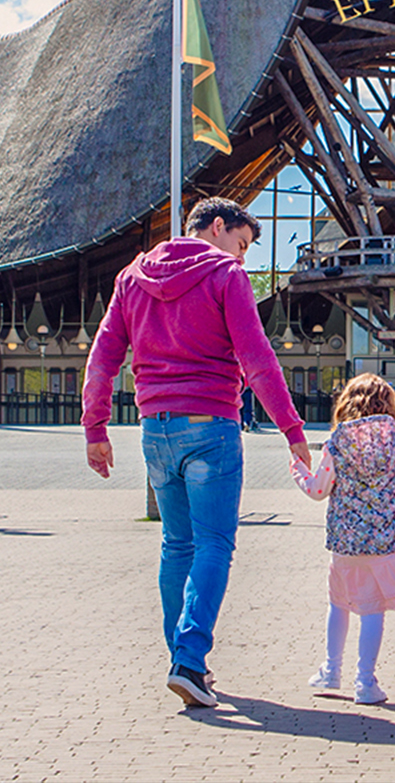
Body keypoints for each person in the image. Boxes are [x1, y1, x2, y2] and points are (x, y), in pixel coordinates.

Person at [81, 197, 310, 709]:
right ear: (217, 227)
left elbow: (103, 358)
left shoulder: (131, 277)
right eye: (243, 243)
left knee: (176, 546)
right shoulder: (225, 275)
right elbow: (257, 358)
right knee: (213, 545)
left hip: (155, 430)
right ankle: (188, 659)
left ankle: (186, 663)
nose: (244, 257)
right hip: (211, 425)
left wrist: (95, 427)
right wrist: (292, 430)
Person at [291, 373, 395, 704]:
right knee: (373, 610)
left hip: (345, 543)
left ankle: (331, 670)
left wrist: (298, 471)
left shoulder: (337, 442)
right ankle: (365, 682)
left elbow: (319, 489)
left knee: (339, 603)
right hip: (383, 543)